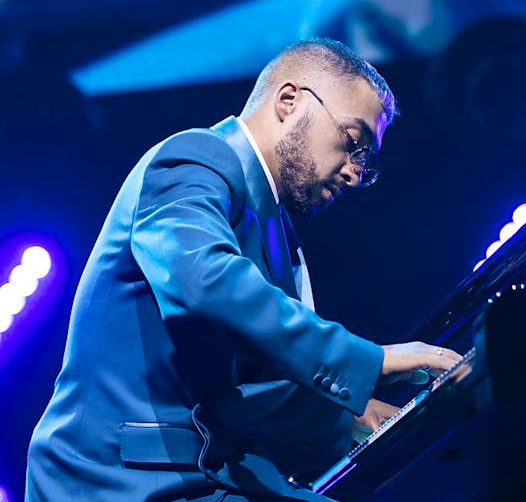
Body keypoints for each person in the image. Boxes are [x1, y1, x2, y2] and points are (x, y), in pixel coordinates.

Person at [25, 38, 460, 501]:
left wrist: (358, 417)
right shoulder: (195, 159)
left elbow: (242, 384)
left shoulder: (272, 227)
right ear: (289, 101)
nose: (355, 172)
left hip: (191, 473)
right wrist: (374, 359)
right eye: (353, 143)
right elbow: (204, 281)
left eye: (366, 162)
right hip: (114, 478)